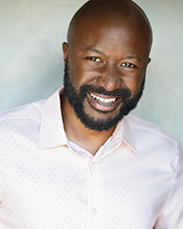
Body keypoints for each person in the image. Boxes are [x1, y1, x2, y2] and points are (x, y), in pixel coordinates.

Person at [0, 0, 182, 228]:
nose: (109, 83)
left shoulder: (165, 154)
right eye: (94, 59)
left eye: (128, 65)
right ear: (67, 54)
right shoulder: (4, 143)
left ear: (145, 66)